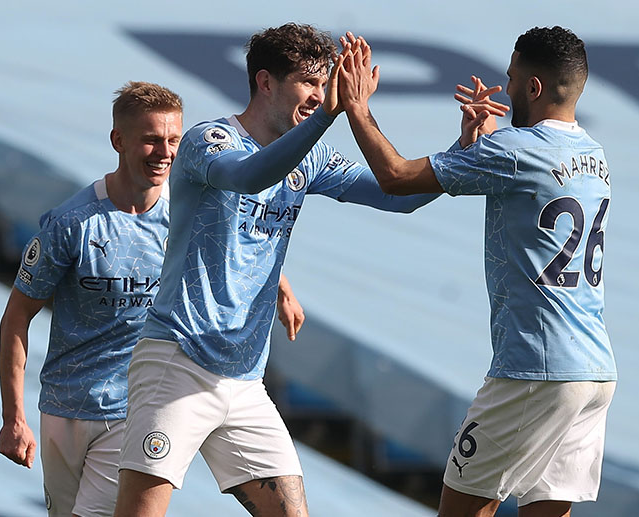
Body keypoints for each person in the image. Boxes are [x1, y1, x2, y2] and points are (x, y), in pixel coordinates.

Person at [114, 23, 439, 517]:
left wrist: (467, 153)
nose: (320, 94)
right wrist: (329, 114)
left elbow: (399, 198)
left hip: (244, 381)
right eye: (309, 82)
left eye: (326, 82)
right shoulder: (210, 140)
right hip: (178, 362)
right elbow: (249, 176)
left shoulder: (309, 156)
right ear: (265, 82)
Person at [337, 27, 616, 517]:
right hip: (594, 369)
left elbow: (396, 178)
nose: (505, 91)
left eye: (512, 80)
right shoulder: (594, 155)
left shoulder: (514, 149)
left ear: (532, 87)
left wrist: (357, 107)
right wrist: (475, 144)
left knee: (464, 509)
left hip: (535, 366)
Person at [0, 81, 306, 517]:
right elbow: (16, 318)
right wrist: (14, 418)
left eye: (174, 140)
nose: (165, 152)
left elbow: (242, 246)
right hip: (62, 407)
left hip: (134, 405)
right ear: (118, 141)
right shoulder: (72, 224)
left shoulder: (191, 213)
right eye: (151, 140)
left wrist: (282, 290)